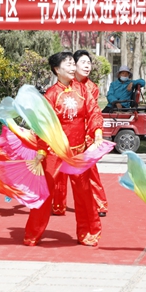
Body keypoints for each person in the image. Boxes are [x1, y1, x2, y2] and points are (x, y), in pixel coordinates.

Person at [24, 52, 104, 246]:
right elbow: (43, 126)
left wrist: (97, 131)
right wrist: (41, 150)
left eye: (72, 64)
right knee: (45, 194)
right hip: (55, 152)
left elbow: (93, 112)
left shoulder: (82, 90)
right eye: (67, 64)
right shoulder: (51, 94)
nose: (72, 67)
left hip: (78, 151)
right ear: (56, 69)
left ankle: (88, 233)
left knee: (84, 194)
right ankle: (32, 234)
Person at [54, 50, 109, 217]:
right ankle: (58, 205)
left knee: (89, 172)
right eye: (82, 63)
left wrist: (95, 133)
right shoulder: (59, 88)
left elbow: (92, 112)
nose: (87, 66)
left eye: (89, 63)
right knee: (59, 172)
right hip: (63, 137)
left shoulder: (90, 88)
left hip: (85, 137)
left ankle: (99, 205)